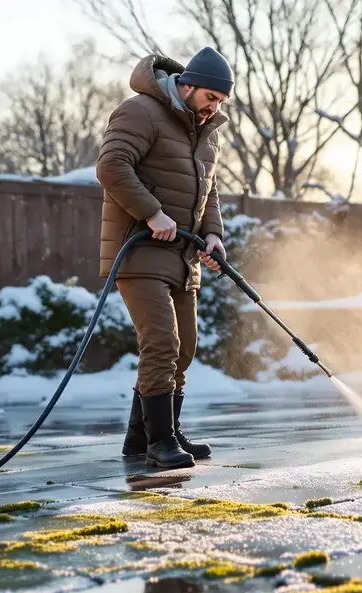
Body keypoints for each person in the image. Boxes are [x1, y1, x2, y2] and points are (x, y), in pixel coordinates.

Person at [96, 47, 233, 469]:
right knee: (161, 343)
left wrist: (212, 235)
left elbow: (208, 192)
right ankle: (161, 441)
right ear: (187, 86)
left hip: (182, 256)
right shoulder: (141, 111)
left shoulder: (205, 132)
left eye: (221, 102)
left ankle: (147, 436)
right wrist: (152, 213)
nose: (215, 108)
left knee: (185, 347)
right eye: (211, 98)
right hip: (137, 250)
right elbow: (111, 165)